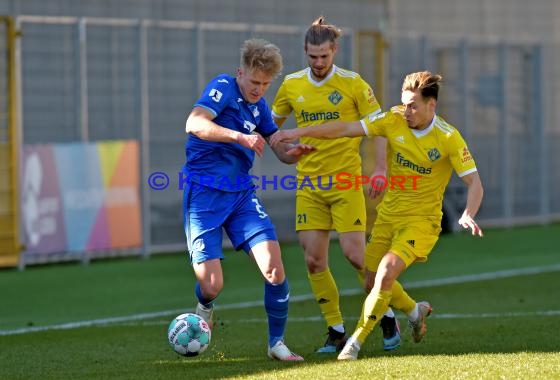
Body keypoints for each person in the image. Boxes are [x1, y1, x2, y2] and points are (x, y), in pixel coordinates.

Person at [270, 71, 484, 360]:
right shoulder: (393, 119)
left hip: (421, 223)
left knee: (385, 272)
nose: (406, 111)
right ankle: (414, 310)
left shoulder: (448, 137)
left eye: (413, 106)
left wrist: (468, 214)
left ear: (431, 105)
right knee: (371, 283)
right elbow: (345, 128)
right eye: (404, 103)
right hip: (388, 216)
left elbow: (474, 183)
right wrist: (296, 132)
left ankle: (353, 344)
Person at [271, 15, 400, 353]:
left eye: (324, 56)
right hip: (309, 184)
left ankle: (385, 312)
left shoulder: (353, 83)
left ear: (335, 51)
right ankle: (336, 329)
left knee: (356, 256)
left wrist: (381, 167)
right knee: (314, 261)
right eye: (312, 57)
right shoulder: (292, 86)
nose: (317, 63)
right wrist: (286, 150)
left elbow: (380, 126)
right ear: (305, 52)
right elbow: (272, 131)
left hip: (345, 182)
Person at [182, 38, 315, 361]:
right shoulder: (223, 87)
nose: (259, 89)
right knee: (212, 285)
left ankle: (276, 344)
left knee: (274, 267)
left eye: (266, 84)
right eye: (254, 82)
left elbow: (277, 147)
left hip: (241, 195)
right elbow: (194, 123)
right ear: (241, 72)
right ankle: (205, 306)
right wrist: (238, 136)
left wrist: (292, 153)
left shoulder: (260, 107)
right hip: (204, 193)